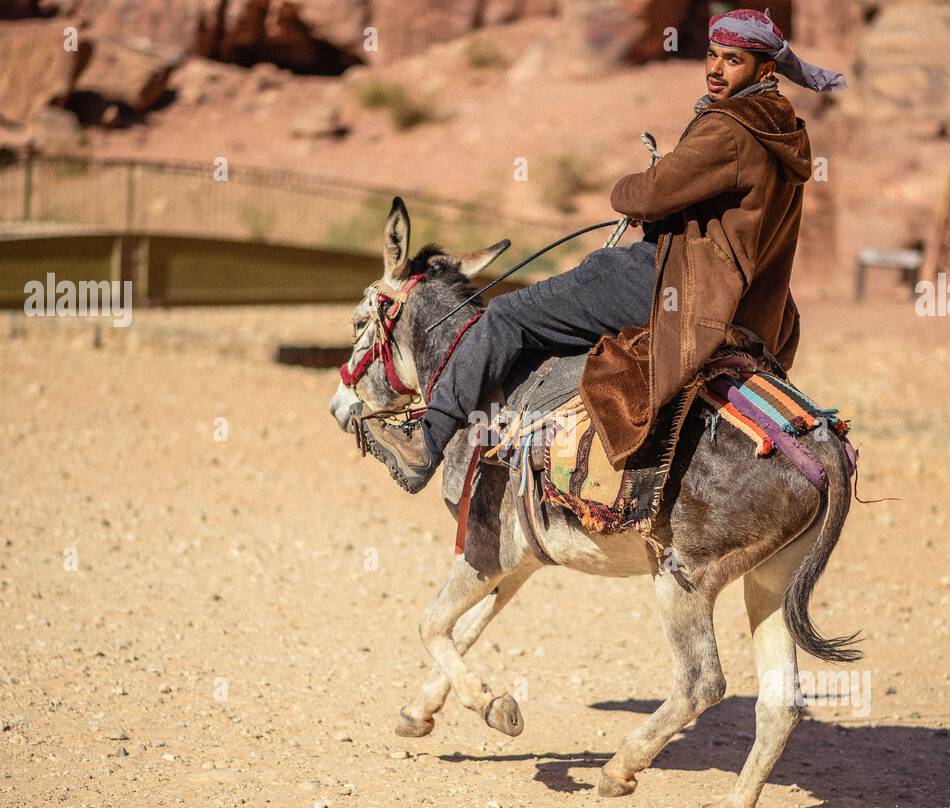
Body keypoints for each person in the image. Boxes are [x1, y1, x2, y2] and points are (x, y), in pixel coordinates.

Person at [361, 8, 844, 493]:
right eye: (712, 55)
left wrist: (634, 190)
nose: (716, 69)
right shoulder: (785, 130)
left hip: (670, 281)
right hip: (752, 305)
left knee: (506, 315)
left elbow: (643, 194)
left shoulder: (730, 128)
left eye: (733, 60)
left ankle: (427, 441)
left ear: (764, 71)